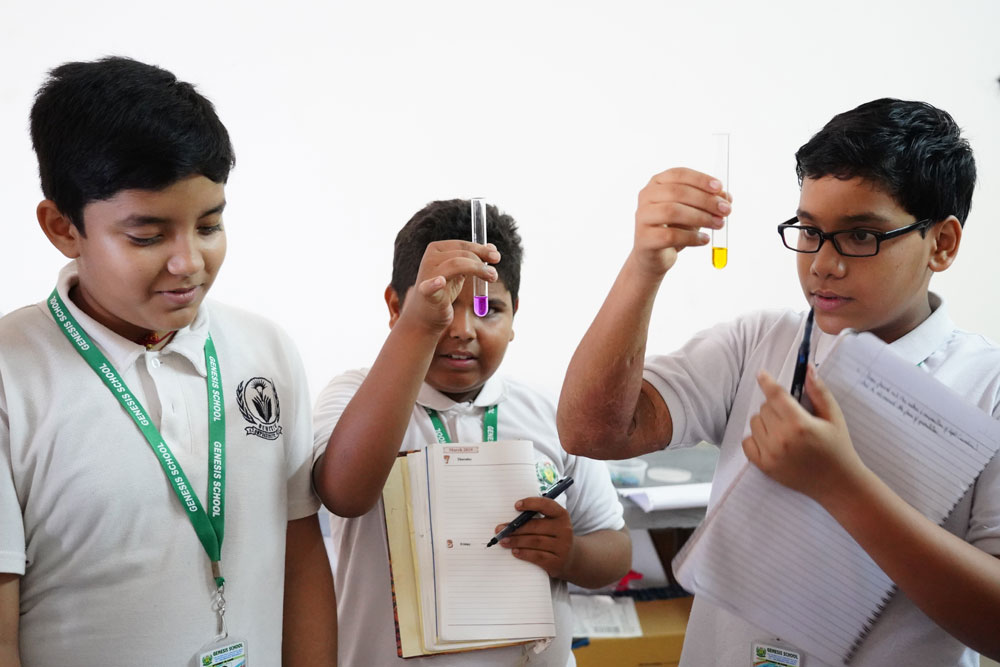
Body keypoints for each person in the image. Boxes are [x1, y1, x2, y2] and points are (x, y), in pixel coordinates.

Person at [557, 98, 1000, 665]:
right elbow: (591, 433)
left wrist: (842, 487)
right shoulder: (758, 344)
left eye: (861, 235)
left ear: (942, 243)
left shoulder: (986, 386)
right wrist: (645, 265)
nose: (822, 264)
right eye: (809, 230)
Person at [0, 56, 336, 666]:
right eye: (148, 236)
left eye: (208, 226)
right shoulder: (11, 374)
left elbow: (301, 558)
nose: (189, 263)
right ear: (63, 228)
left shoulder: (265, 351)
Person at [312, 199, 631, 666]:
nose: (462, 329)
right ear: (396, 307)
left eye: (488, 308)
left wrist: (571, 555)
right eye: (442, 305)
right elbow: (345, 494)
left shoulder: (550, 413)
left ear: (515, 313)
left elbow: (615, 549)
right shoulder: (355, 396)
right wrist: (420, 328)